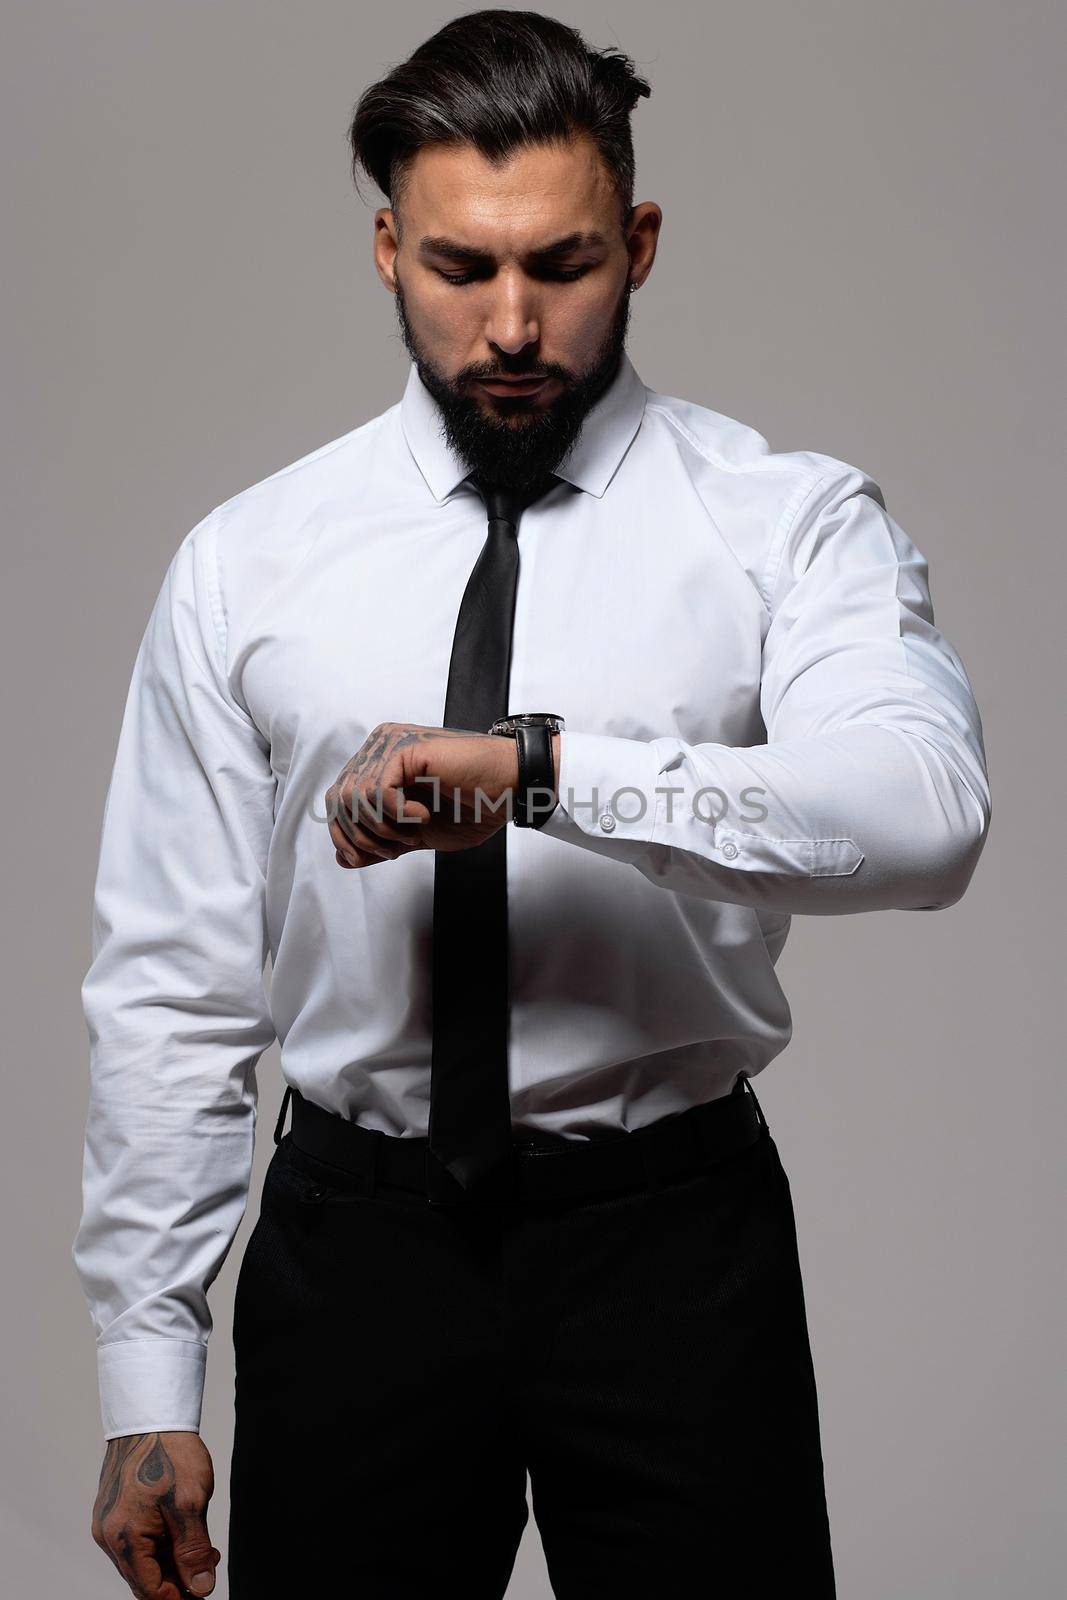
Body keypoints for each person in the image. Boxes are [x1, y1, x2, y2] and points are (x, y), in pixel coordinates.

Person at [73, 10, 991, 1599]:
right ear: (385, 251)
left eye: (562, 267)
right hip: (354, 1252)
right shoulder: (250, 561)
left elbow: (922, 816)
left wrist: (544, 774)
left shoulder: (786, 524)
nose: (510, 324)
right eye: (458, 268)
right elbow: (175, 980)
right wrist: (149, 1370)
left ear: (637, 242)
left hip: (670, 1247)